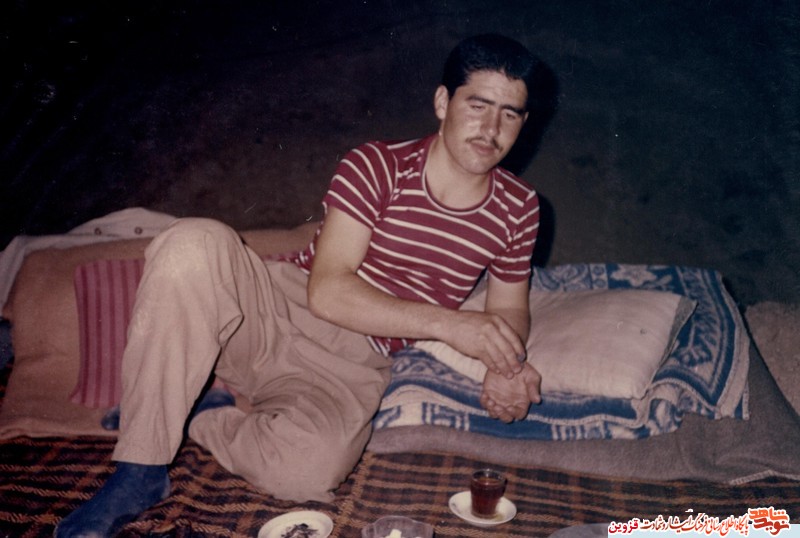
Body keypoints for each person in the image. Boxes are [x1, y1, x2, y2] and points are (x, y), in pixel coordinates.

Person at [55, 33, 546, 537]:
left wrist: (505, 365)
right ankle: (139, 472)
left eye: (509, 114)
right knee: (191, 242)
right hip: (273, 312)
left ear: (523, 123)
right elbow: (327, 291)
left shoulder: (520, 207)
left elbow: (510, 308)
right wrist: (451, 325)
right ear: (443, 102)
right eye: (478, 105)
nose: (491, 129)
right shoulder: (378, 165)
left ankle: (199, 414)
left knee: (307, 473)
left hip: (353, 363)